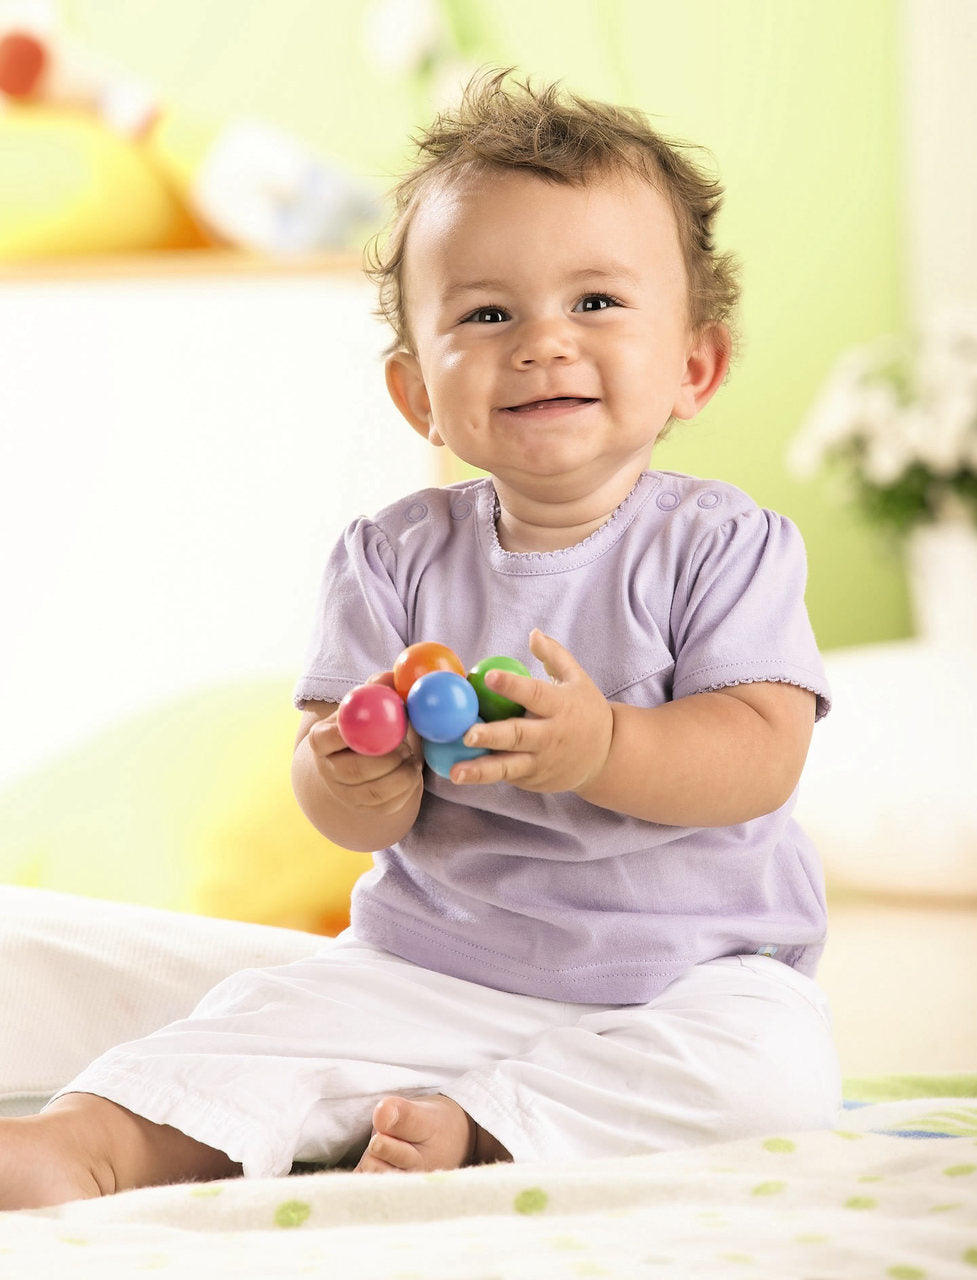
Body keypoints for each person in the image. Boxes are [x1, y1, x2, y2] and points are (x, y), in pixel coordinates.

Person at [0, 70, 840, 1208]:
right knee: (260, 1020)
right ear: (416, 395)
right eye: (488, 315)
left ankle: (489, 1125)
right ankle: (89, 1146)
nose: (543, 342)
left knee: (776, 1072)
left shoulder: (725, 544)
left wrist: (602, 747)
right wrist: (352, 771)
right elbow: (350, 806)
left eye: (595, 300)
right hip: (431, 966)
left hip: (683, 979)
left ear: (695, 363)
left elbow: (759, 753)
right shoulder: (389, 556)